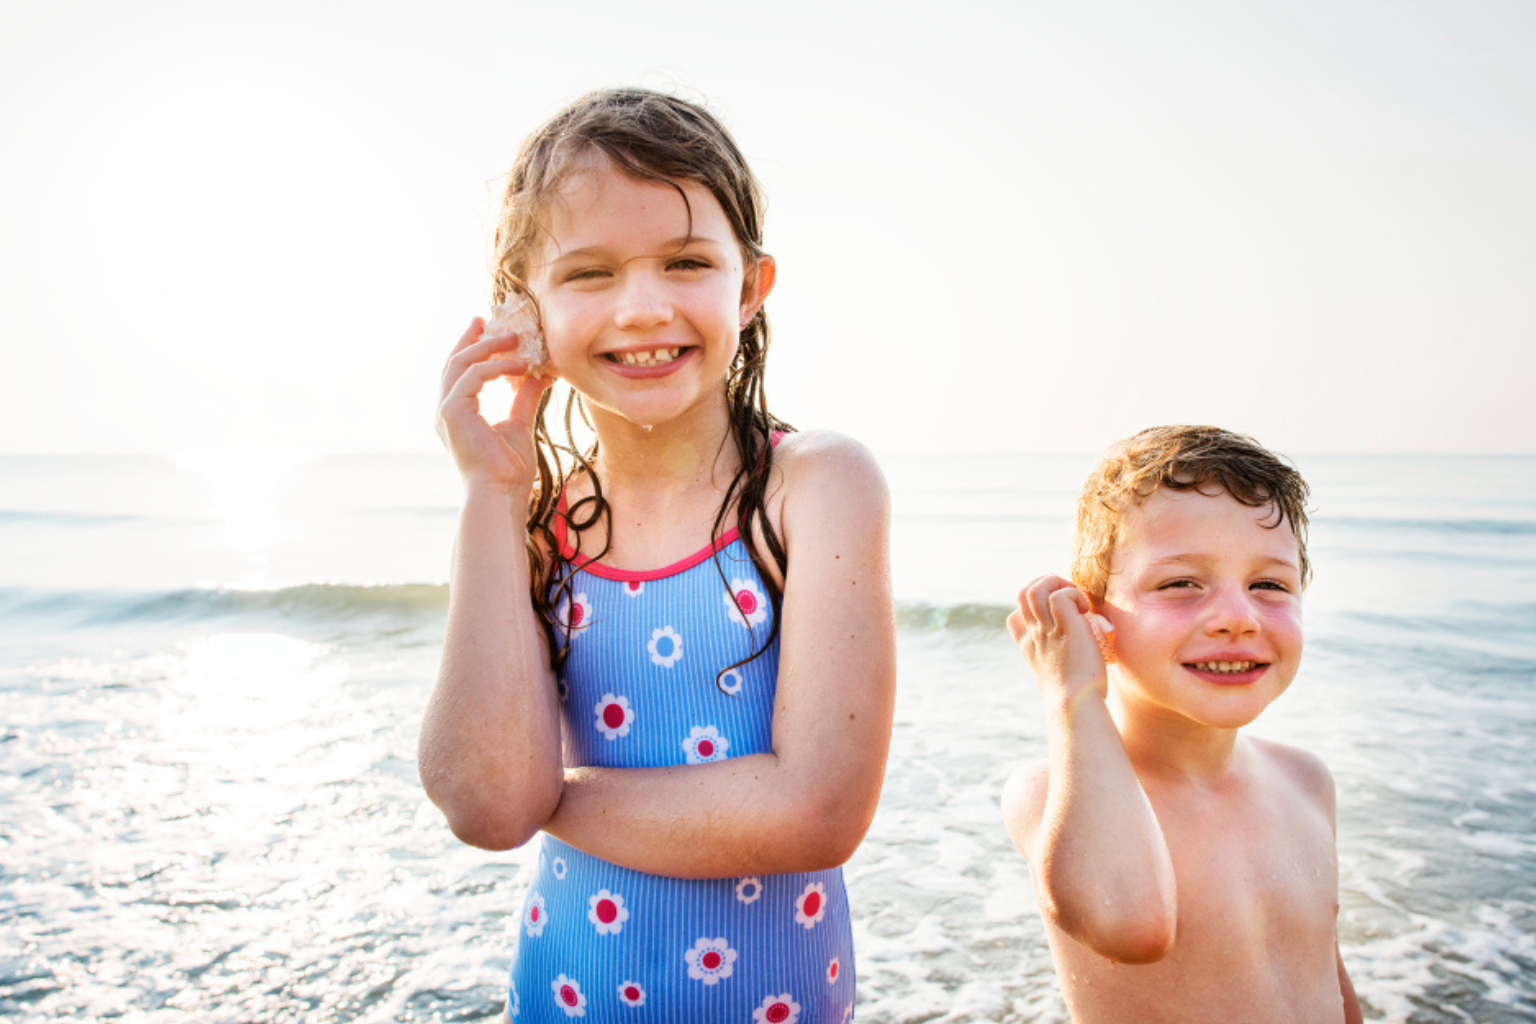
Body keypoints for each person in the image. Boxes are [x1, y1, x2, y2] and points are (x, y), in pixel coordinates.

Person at [420, 88, 896, 1023]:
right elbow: (482, 804)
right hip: (561, 999)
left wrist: (551, 800)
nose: (642, 309)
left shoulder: (814, 485)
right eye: (588, 274)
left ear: (751, 289)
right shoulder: (533, 521)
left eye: (686, 262)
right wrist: (491, 493)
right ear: (526, 310)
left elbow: (818, 812)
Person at [1001, 425, 1362, 1024]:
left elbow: (1326, 972)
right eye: (1180, 583)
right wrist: (1073, 693)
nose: (1237, 617)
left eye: (1269, 584)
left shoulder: (1305, 781)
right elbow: (1130, 925)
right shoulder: (1051, 793)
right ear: (1093, 616)